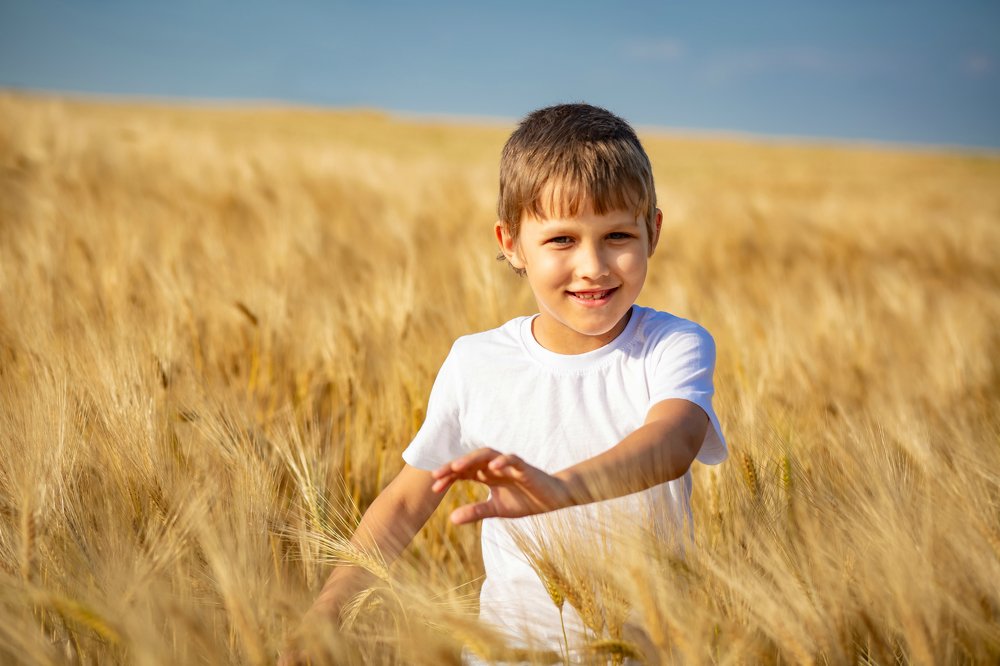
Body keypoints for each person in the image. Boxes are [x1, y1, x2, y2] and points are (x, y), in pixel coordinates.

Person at [283, 103, 727, 664]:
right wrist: (327, 610)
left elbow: (674, 440)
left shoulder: (672, 345)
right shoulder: (477, 363)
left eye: (617, 235)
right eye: (562, 240)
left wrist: (561, 489)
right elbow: (406, 500)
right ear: (511, 242)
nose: (593, 265)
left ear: (653, 232)